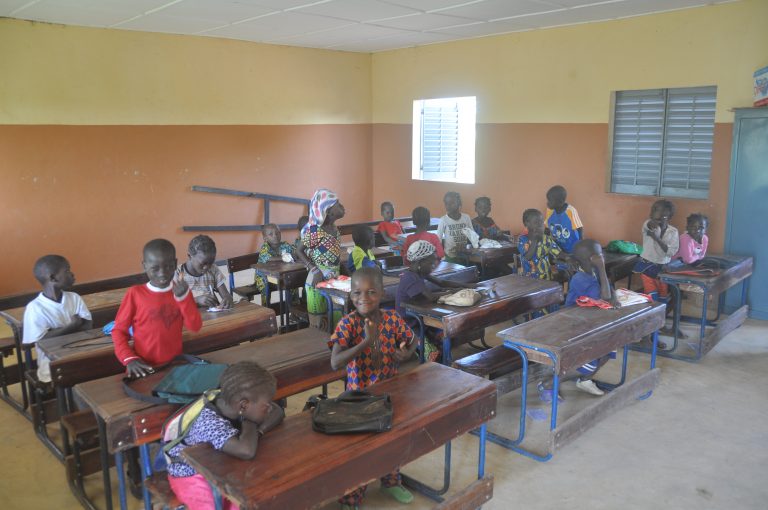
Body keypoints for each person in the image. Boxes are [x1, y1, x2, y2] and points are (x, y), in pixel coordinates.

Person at [329, 267, 418, 509]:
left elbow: (413, 339)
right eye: (357, 292)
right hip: (358, 400)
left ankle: (391, 481)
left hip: (389, 395)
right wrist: (367, 341)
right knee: (360, 452)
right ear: (350, 295)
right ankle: (351, 498)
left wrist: (406, 352)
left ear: (381, 293)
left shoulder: (391, 319)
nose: (364, 298)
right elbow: (335, 362)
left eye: (371, 292)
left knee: (392, 441)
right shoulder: (348, 324)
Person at [167, 361, 285, 510]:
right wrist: (250, 422)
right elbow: (246, 451)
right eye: (266, 405)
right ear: (243, 405)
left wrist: (258, 430)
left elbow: (278, 412)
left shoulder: (232, 402)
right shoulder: (209, 423)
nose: (269, 409)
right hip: (190, 474)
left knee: (247, 501)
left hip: (221, 465)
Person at [538, 239, 619, 401]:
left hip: (591, 323)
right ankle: (549, 383)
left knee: (610, 348)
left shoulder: (593, 272)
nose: (602, 256)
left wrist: (614, 297)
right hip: (575, 327)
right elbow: (604, 296)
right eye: (599, 254)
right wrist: (602, 268)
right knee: (588, 362)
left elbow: (610, 290)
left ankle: (584, 380)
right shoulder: (581, 278)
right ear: (592, 259)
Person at [112, 239, 203, 378]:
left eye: (168, 266)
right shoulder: (135, 294)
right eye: (155, 268)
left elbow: (195, 327)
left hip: (173, 366)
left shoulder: (181, 291)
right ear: (144, 265)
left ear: (175, 263)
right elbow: (119, 331)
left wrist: (183, 299)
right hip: (142, 367)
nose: (162, 273)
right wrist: (129, 358)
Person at [396, 240, 472, 362]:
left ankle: (444, 363)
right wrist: (453, 292)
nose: (433, 266)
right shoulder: (410, 277)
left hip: (421, 319)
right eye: (431, 263)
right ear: (420, 262)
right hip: (408, 325)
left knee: (446, 337)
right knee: (434, 355)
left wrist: (467, 286)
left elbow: (441, 282)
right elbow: (430, 297)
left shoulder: (419, 272)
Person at [22, 255, 92, 383]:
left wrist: (55, 332)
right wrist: (72, 326)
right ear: (53, 278)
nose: (72, 274)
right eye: (67, 271)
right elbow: (40, 341)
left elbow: (88, 326)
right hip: (51, 363)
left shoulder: (74, 297)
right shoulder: (35, 308)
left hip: (79, 353)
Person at [295, 188, 345, 330]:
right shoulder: (316, 231)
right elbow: (299, 250)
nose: (342, 206)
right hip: (317, 277)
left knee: (336, 317)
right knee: (319, 322)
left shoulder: (334, 228)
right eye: (338, 203)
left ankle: (334, 349)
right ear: (328, 211)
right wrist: (312, 267)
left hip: (333, 277)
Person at [177, 235, 233, 310]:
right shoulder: (178, 273)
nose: (207, 267)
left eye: (211, 262)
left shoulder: (213, 269)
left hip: (212, 318)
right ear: (190, 256)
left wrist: (227, 299)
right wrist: (196, 300)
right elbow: (172, 305)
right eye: (203, 263)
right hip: (188, 318)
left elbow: (226, 295)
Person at [254, 223, 295, 306]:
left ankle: (293, 308)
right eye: (271, 234)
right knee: (265, 287)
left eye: (277, 233)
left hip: (280, 275)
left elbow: (295, 253)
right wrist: (284, 258)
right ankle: (266, 308)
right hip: (264, 276)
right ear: (265, 238)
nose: (275, 236)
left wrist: (293, 255)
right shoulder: (265, 247)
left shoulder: (285, 245)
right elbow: (269, 259)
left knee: (293, 283)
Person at [518, 208, 562, 280]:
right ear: (526, 224)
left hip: (547, 278)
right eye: (536, 222)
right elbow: (528, 257)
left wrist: (568, 257)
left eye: (541, 222)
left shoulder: (546, 239)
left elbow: (558, 252)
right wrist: (535, 240)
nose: (540, 225)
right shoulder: (522, 239)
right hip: (529, 280)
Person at [544, 185, 583, 253]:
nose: (547, 203)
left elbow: (579, 228)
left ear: (560, 201)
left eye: (550, 200)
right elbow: (547, 229)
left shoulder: (570, 211)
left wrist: (581, 247)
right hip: (557, 248)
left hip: (572, 248)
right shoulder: (550, 211)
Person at [437, 191, 473, 264]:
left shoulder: (466, 217)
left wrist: (469, 247)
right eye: (446, 203)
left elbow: (472, 236)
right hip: (450, 257)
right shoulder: (443, 220)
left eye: (452, 203)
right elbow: (438, 240)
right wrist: (442, 258)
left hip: (464, 255)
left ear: (459, 203)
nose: (448, 206)